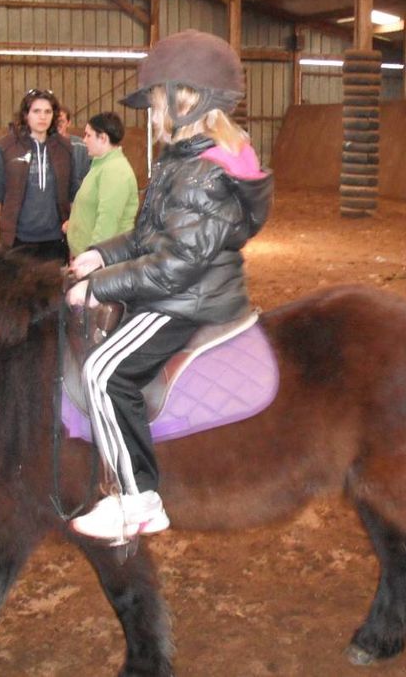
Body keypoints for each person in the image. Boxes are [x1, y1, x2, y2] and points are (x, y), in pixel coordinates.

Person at [65, 30, 273, 544]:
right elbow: (145, 235)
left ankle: (138, 501)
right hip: (179, 285)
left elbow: (175, 264)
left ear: (188, 101)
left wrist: (101, 287)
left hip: (188, 298)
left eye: (156, 103)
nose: (152, 114)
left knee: (102, 371)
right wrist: (101, 255)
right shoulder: (180, 160)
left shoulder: (202, 173)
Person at [0, 89, 73, 263]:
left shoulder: (65, 149)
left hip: (55, 240)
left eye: (48, 112)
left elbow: (73, 193)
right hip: (17, 240)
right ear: (26, 115)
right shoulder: (5, 148)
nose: (43, 117)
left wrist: (76, 237)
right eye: (36, 111)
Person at [64, 111, 139, 258]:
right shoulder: (100, 165)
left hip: (104, 261)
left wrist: (92, 257)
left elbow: (107, 222)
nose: (84, 140)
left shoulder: (115, 170)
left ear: (103, 138)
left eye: (88, 135)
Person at [58, 106, 92, 188]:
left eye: (61, 121)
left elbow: (90, 174)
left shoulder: (81, 145)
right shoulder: (42, 146)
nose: (57, 124)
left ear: (68, 123)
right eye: (53, 121)